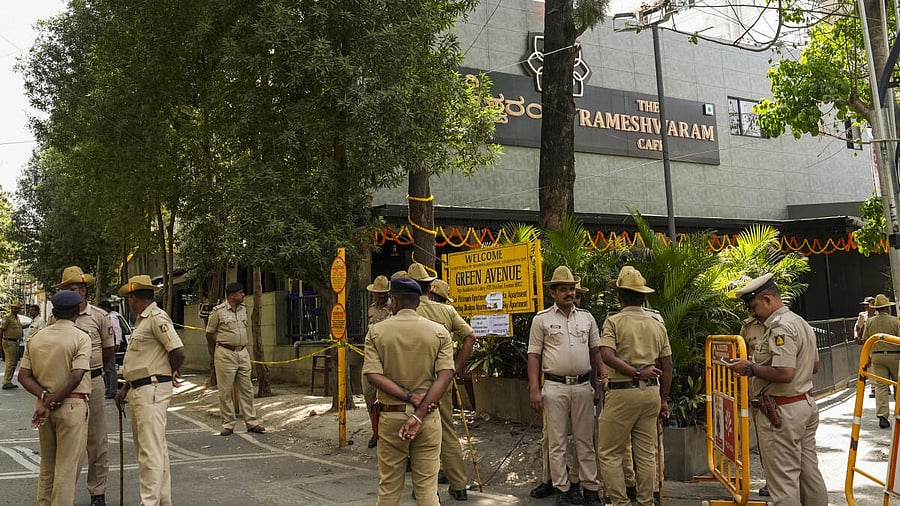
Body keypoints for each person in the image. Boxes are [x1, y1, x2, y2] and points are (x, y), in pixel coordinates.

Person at [727, 273, 827, 505]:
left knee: (783, 483)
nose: (752, 313)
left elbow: (785, 373)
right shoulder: (800, 322)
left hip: (782, 412)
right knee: (809, 474)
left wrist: (751, 368)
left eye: (754, 306)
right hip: (804, 404)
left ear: (768, 300)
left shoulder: (780, 328)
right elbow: (814, 366)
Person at [362, 277, 454, 505]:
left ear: (393, 301)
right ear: (418, 303)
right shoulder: (439, 332)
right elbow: (445, 375)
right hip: (428, 417)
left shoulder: (376, 332)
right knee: (427, 491)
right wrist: (419, 413)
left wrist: (409, 397)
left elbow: (373, 375)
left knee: (389, 489)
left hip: (391, 416)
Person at [596, 266, 672, 506]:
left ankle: (621, 503)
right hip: (650, 393)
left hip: (622, 393)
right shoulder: (656, 323)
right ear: (643, 296)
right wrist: (664, 398)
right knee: (646, 454)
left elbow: (606, 356)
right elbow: (667, 364)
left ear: (620, 296)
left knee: (610, 453)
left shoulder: (614, 322)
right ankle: (646, 502)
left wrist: (635, 372)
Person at [528, 266, 603, 506]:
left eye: (571, 289)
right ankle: (562, 488)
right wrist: (534, 389)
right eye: (563, 289)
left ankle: (590, 488)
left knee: (585, 441)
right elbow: (534, 356)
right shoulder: (541, 320)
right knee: (557, 441)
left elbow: (595, 352)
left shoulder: (587, 317)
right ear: (553, 292)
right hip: (555, 387)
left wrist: (598, 384)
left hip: (583, 386)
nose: (569, 293)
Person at [408, 262, 477, 501]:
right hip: (443, 379)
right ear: (430, 288)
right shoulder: (447, 312)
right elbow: (470, 336)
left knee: (417, 432)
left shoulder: (407, 313)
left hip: (414, 381)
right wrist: (456, 367)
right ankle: (458, 485)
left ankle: (424, 489)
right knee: (447, 428)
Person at [114, 274, 185, 506]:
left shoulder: (156, 317)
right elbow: (143, 361)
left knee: (149, 452)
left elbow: (177, 351)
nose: (128, 302)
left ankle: (149, 502)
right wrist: (125, 387)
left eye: (129, 298)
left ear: (134, 298)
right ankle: (162, 501)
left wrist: (170, 371)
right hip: (140, 388)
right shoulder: (142, 321)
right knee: (156, 450)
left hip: (152, 389)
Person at [18, 291, 92, 506]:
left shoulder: (37, 338)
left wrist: (45, 398)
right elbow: (77, 375)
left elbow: (24, 375)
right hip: (72, 406)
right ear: (78, 311)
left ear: (55, 312)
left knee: (47, 465)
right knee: (67, 468)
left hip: (43, 407)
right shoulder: (81, 337)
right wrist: (53, 401)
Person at [52, 266, 114, 506]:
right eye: (69, 288)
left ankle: (97, 492)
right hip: (67, 386)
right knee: (68, 443)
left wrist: (92, 371)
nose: (74, 292)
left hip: (93, 382)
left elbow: (109, 350)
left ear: (85, 290)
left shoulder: (99, 316)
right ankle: (64, 494)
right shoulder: (55, 318)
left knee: (97, 441)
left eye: (77, 288)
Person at [205, 282, 265, 436]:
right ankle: (228, 424)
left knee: (247, 388)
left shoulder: (243, 310)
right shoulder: (218, 312)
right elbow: (209, 333)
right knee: (225, 391)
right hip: (225, 353)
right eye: (240, 292)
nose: (243, 295)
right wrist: (214, 354)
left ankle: (251, 422)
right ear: (231, 296)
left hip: (243, 352)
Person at [863, 294, 900, 429]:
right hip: (895, 356)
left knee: (880, 386)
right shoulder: (895, 321)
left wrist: (867, 357)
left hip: (877, 357)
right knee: (898, 384)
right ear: (888, 308)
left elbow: (865, 339)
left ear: (877, 308)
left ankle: (882, 416)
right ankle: (899, 410)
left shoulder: (870, 322)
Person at [363, 275, 392, 448]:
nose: (380, 296)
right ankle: (376, 431)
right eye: (377, 293)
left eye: (383, 293)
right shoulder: (371, 309)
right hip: (371, 357)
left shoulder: (393, 308)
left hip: (388, 358)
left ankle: (386, 434)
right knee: (368, 395)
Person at [98, 301, 123, 399]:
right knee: (107, 368)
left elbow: (117, 330)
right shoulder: (106, 317)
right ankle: (108, 389)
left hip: (111, 344)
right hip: (107, 344)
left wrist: (117, 343)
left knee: (111, 369)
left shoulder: (112, 317)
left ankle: (112, 390)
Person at [856, 297, 877, 398]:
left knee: (881, 364)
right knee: (870, 366)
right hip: (868, 343)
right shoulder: (863, 316)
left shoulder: (879, 314)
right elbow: (857, 327)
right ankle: (873, 388)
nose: (866, 307)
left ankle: (884, 386)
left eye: (867, 304)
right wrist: (856, 336)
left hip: (880, 343)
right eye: (865, 305)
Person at [1, 299, 24, 389]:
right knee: (10, 362)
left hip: (15, 342)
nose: (16, 310)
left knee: (14, 362)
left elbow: (19, 327)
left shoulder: (17, 318)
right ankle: (6, 381)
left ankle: (9, 381)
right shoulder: (7, 317)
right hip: (8, 341)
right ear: (11, 308)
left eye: (18, 308)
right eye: (15, 308)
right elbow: (1, 330)